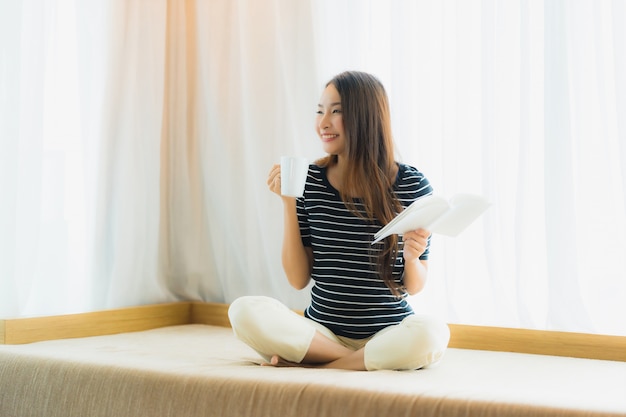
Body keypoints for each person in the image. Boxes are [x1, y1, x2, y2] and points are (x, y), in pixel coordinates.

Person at [228, 71, 450, 371]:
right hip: (322, 332)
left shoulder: (412, 185)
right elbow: (298, 279)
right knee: (245, 311)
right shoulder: (312, 181)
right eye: (320, 111)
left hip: (387, 333)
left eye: (336, 112)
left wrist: (412, 257)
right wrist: (288, 202)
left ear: (365, 117)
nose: (323, 123)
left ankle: (319, 365)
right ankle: (354, 362)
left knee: (432, 334)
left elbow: (414, 285)